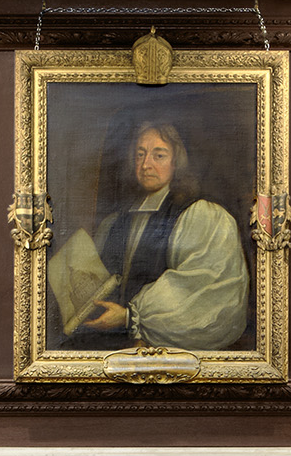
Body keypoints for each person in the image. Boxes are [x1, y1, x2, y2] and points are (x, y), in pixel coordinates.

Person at [45, 116, 248, 351]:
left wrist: (129, 316)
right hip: (105, 342)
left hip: (162, 349)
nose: (145, 165)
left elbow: (204, 292)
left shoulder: (201, 216)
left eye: (158, 155)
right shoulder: (115, 222)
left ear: (177, 162)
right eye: (140, 154)